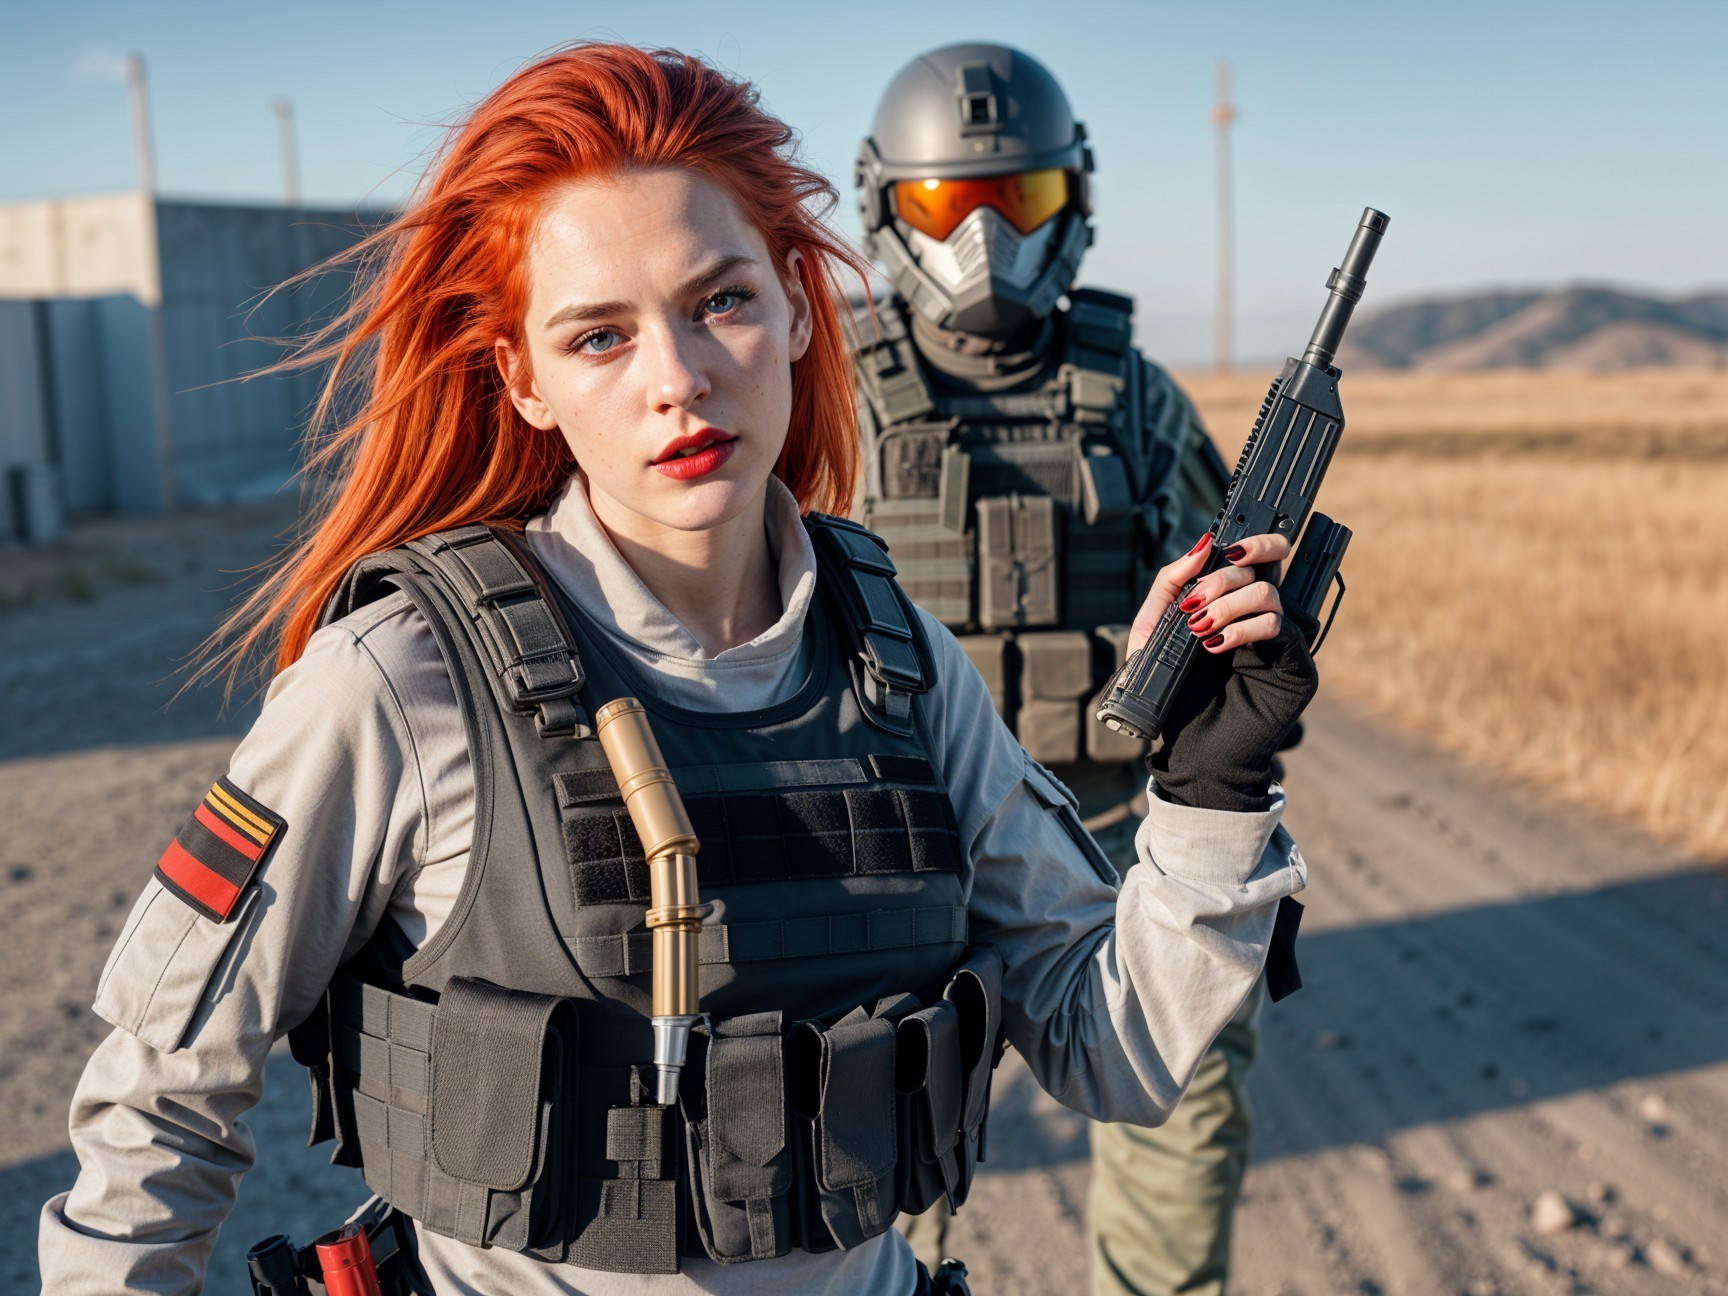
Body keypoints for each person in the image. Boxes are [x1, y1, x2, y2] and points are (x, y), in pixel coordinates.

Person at [37, 43, 1313, 1296]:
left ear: (801, 310)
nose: (681, 380)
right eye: (600, 337)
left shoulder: (904, 662)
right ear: (522, 379)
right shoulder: (400, 680)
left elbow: (1118, 1055)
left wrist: (1210, 796)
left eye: (722, 302)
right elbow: (161, 1105)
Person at [851, 43, 1267, 1296]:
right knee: (867, 1168)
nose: (984, 240)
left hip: (1115, 846)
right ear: (885, 207)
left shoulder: (1133, 400)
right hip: (899, 860)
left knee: (1180, 1117)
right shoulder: (830, 403)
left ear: (1069, 201)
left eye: (1016, 203)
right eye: (946, 208)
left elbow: (1234, 584)